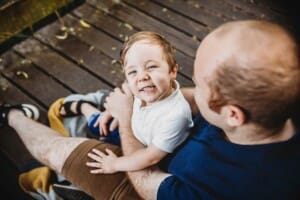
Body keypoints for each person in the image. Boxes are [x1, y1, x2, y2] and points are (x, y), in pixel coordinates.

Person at [1, 19, 300, 200]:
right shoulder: (272, 101)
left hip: (147, 178)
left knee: (59, 151)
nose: (191, 85)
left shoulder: (227, 188)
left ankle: (13, 115)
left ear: (233, 115)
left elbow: (146, 185)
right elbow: (197, 98)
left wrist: (125, 116)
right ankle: (91, 111)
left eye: (199, 82)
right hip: (158, 142)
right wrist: (138, 98)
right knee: (120, 99)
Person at [58, 31, 194, 174]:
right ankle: (84, 107)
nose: (142, 77)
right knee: (98, 123)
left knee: (93, 153)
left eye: (151, 67)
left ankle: (87, 107)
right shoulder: (146, 88)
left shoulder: (176, 116)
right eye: (132, 72)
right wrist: (110, 112)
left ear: (172, 71)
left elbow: (151, 158)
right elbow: (128, 88)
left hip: (145, 150)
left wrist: (115, 164)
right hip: (133, 126)